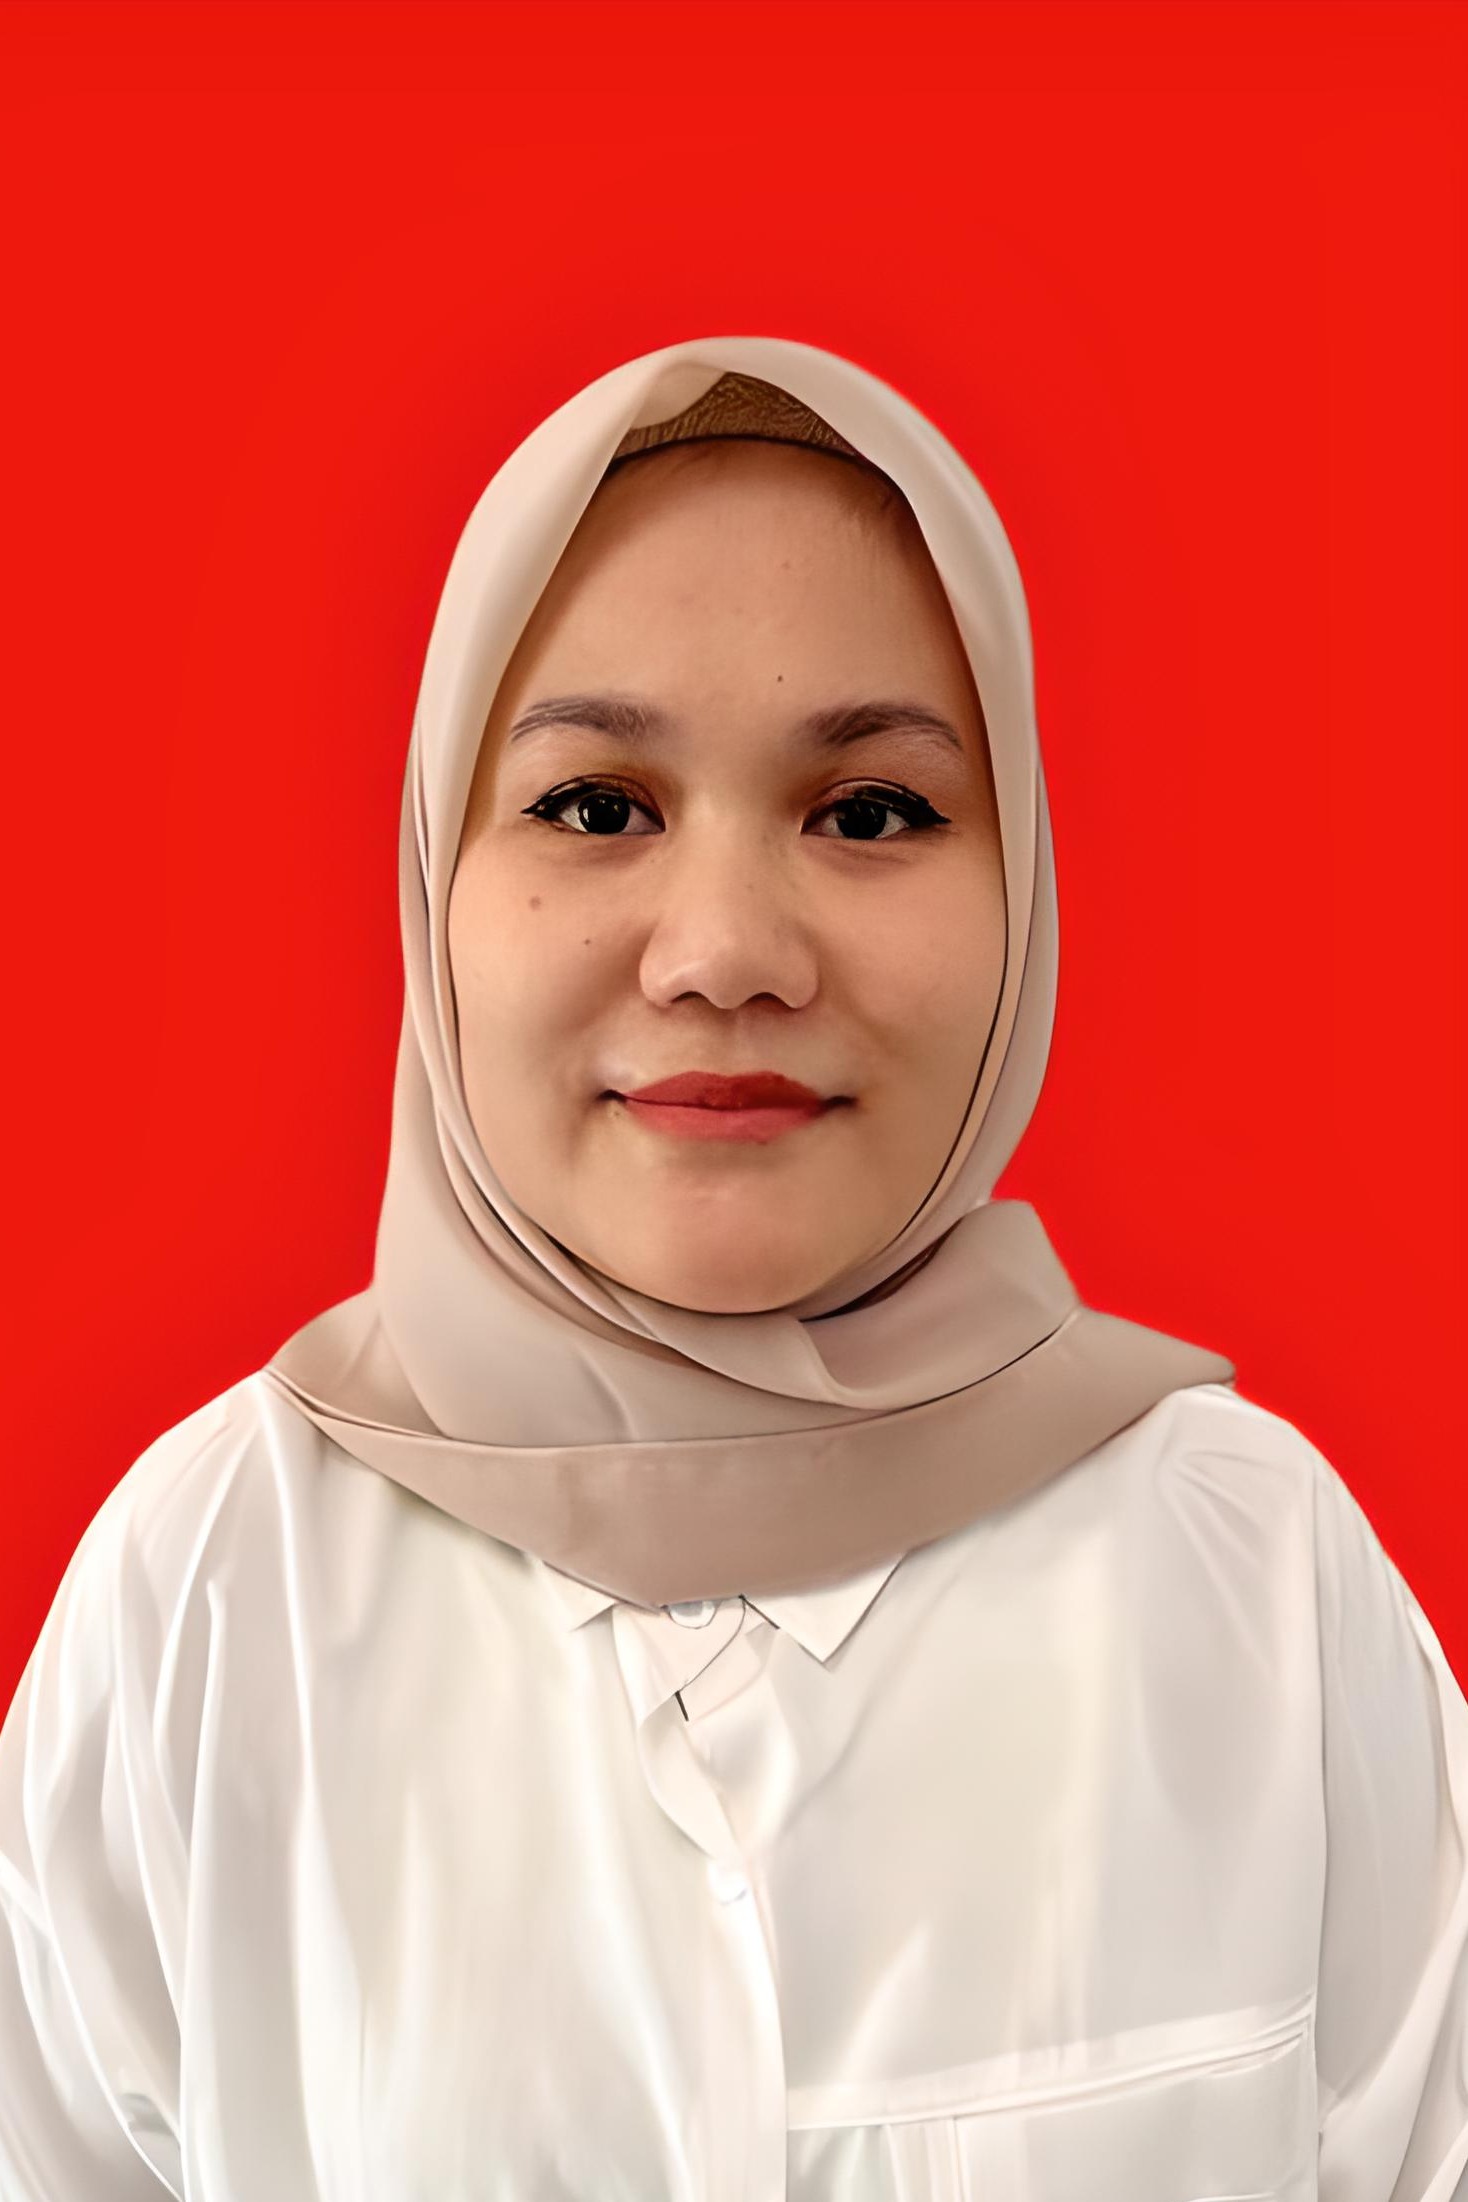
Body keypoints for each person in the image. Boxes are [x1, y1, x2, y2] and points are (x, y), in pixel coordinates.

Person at [0, 338, 1463, 2200]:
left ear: (1023, 891)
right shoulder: (210, 1584)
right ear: (434, 874)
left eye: (871, 812)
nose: (724, 952)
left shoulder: (1256, 1573)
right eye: (596, 806)